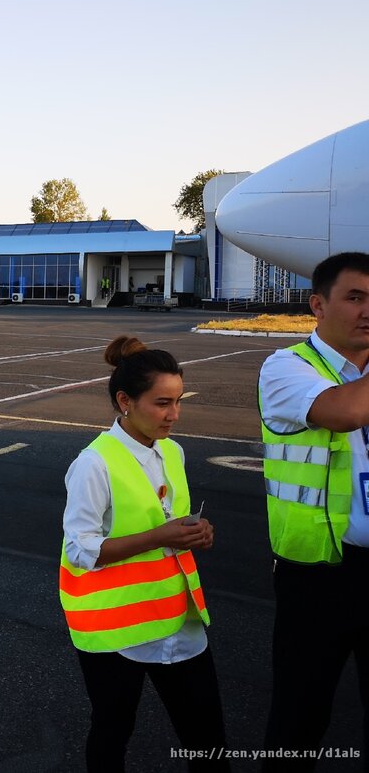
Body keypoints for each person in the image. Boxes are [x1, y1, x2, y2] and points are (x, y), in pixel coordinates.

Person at [60, 336, 228, 771]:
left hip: (176, 620)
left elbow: (170, 519)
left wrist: (195, 533)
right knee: (113, 732)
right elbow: (81, 551)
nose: (173, 414)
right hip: (116, 629)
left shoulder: (172, 450)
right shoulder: (94, 463)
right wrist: (160, 536)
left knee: (207, 736)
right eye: (161, 403)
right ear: (124, 401)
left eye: (178, 401)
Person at [260, 251, 369, 768]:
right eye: (356, 297)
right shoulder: (287, 367)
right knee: (299, 720)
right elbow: (343, 412)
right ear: (317, 306)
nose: (368, 310)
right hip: (319, 572)